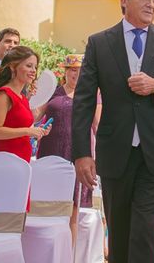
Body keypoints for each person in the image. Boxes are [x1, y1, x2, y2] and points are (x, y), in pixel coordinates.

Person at [72, 0, 154, 263]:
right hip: (115, 151)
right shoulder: (99, 43)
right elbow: (83, 101)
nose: (151, 4)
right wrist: (81, 153)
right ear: (124, 1)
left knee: (143, 226)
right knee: (119, 230)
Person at [37, 53, 98, 246]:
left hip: (76, 153)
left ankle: (69, 255)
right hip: (50, 150)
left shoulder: (91, 94)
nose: (76, 74)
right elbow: (35, 115)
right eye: (72, 69)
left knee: (72, 209)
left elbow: (98, 125)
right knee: (47, 205)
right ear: (65, 71)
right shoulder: (53, 92)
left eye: (80, 70)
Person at [0, 46, 50, 164]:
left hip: (23, 162)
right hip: (8, 162)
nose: (33, 71)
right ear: (12, 67)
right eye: (29, 66)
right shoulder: (4, 95)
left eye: (35, 67)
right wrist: (28, 131)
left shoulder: (22, 97)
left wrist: (38, 131)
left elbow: (20, 126)